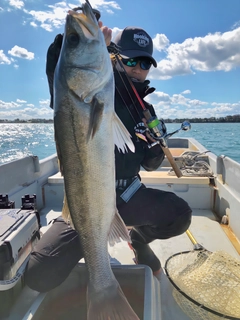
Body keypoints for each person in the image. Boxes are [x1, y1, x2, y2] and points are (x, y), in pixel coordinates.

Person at [25, 19, 192, 292]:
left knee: (180, 214)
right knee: (39, 275)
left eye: (145, 63)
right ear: (113, 57)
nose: (138, 69)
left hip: (127, 195)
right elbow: (65, 81)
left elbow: (150, 165)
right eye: (130, 61)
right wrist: (74, 42)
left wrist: (155, 142)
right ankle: (89, 243)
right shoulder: (91, 90)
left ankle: (137, 239)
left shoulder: (146, 110)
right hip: (86, 200)